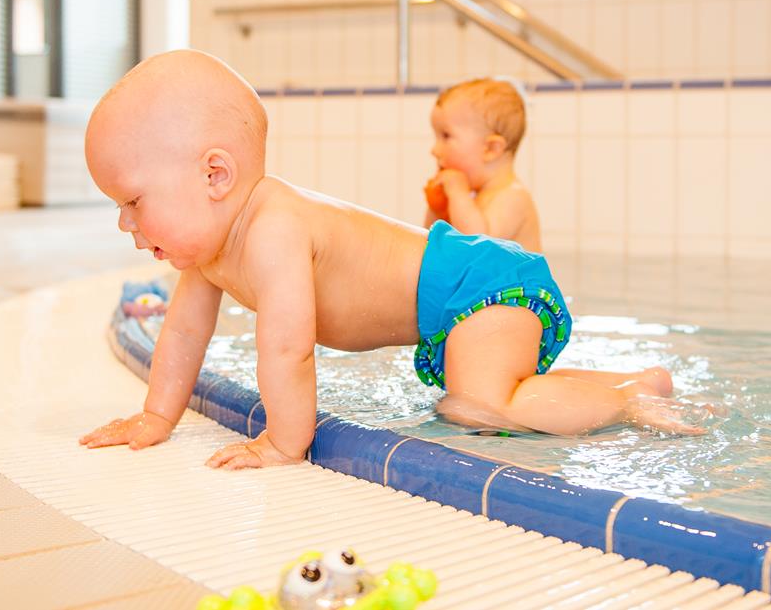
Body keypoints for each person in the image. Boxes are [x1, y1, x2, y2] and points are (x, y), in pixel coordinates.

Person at [78, 50, 703, 470]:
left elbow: (288, 350)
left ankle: (626, 401)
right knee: (484, 395)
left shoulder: (273, 228)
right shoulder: (209, 254)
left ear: (215, 175)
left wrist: (284, 443)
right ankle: (630, 382)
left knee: (481, 405)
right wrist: (156, 416)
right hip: (464, 289)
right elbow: (183, 334)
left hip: (481, 287)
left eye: (133, 201)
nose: (124, 222)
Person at [423, 78, 541, 252]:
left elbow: (478, 249)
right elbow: (432, 247)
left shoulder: (513, 197)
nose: (434, 150)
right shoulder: (470, 200)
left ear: (490, 149)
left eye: (446, 136)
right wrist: (437, 210)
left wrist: (457, 193)